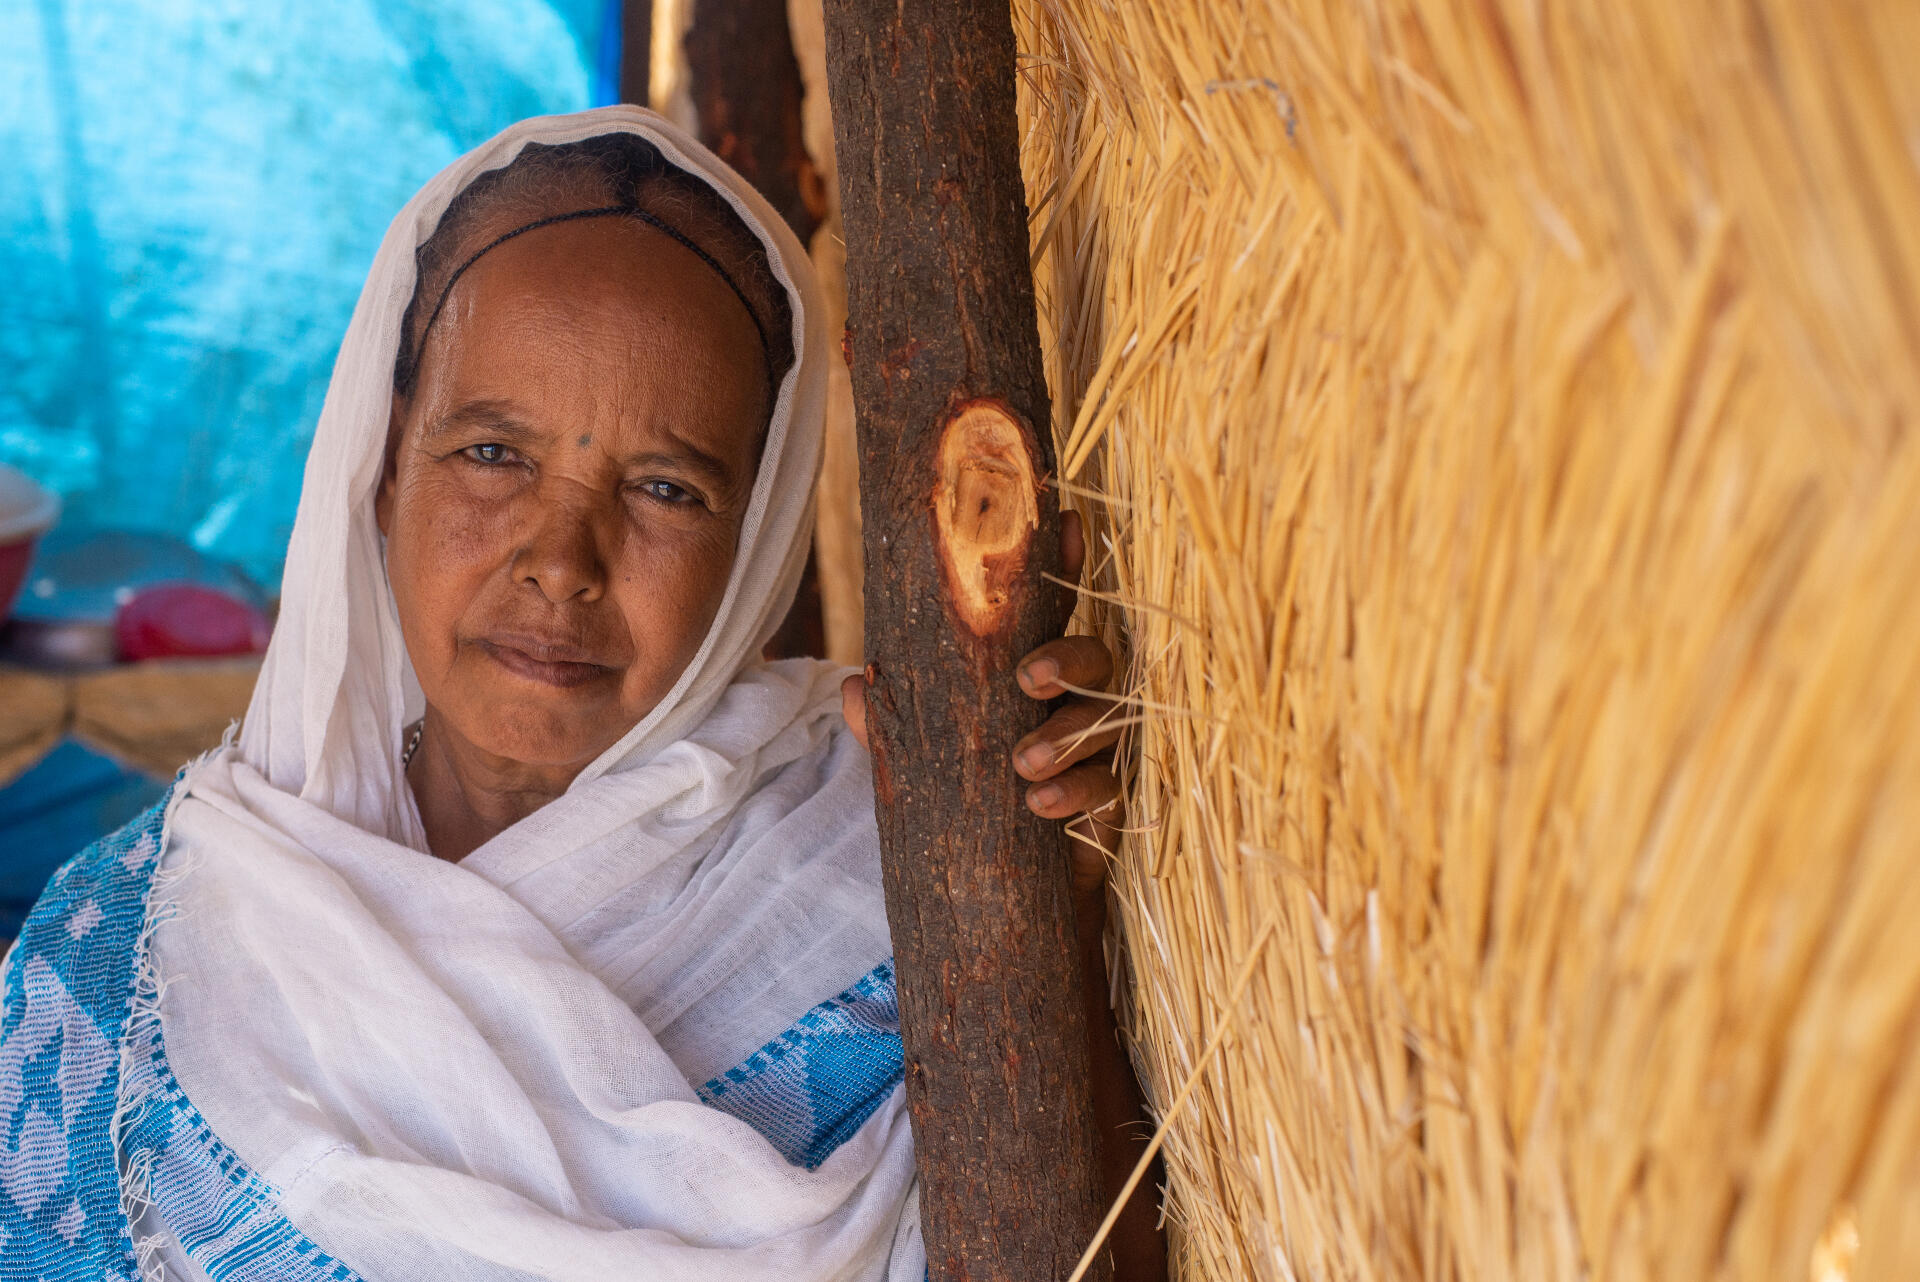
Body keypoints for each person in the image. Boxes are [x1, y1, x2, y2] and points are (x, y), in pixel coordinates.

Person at [0, 107, 1159, 1281]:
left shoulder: (902, 847)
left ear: (755, 533)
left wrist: (1033, 919)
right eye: (492, 454)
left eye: (664, 487)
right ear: (386, 465)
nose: (563, 557)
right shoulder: (127, 956)